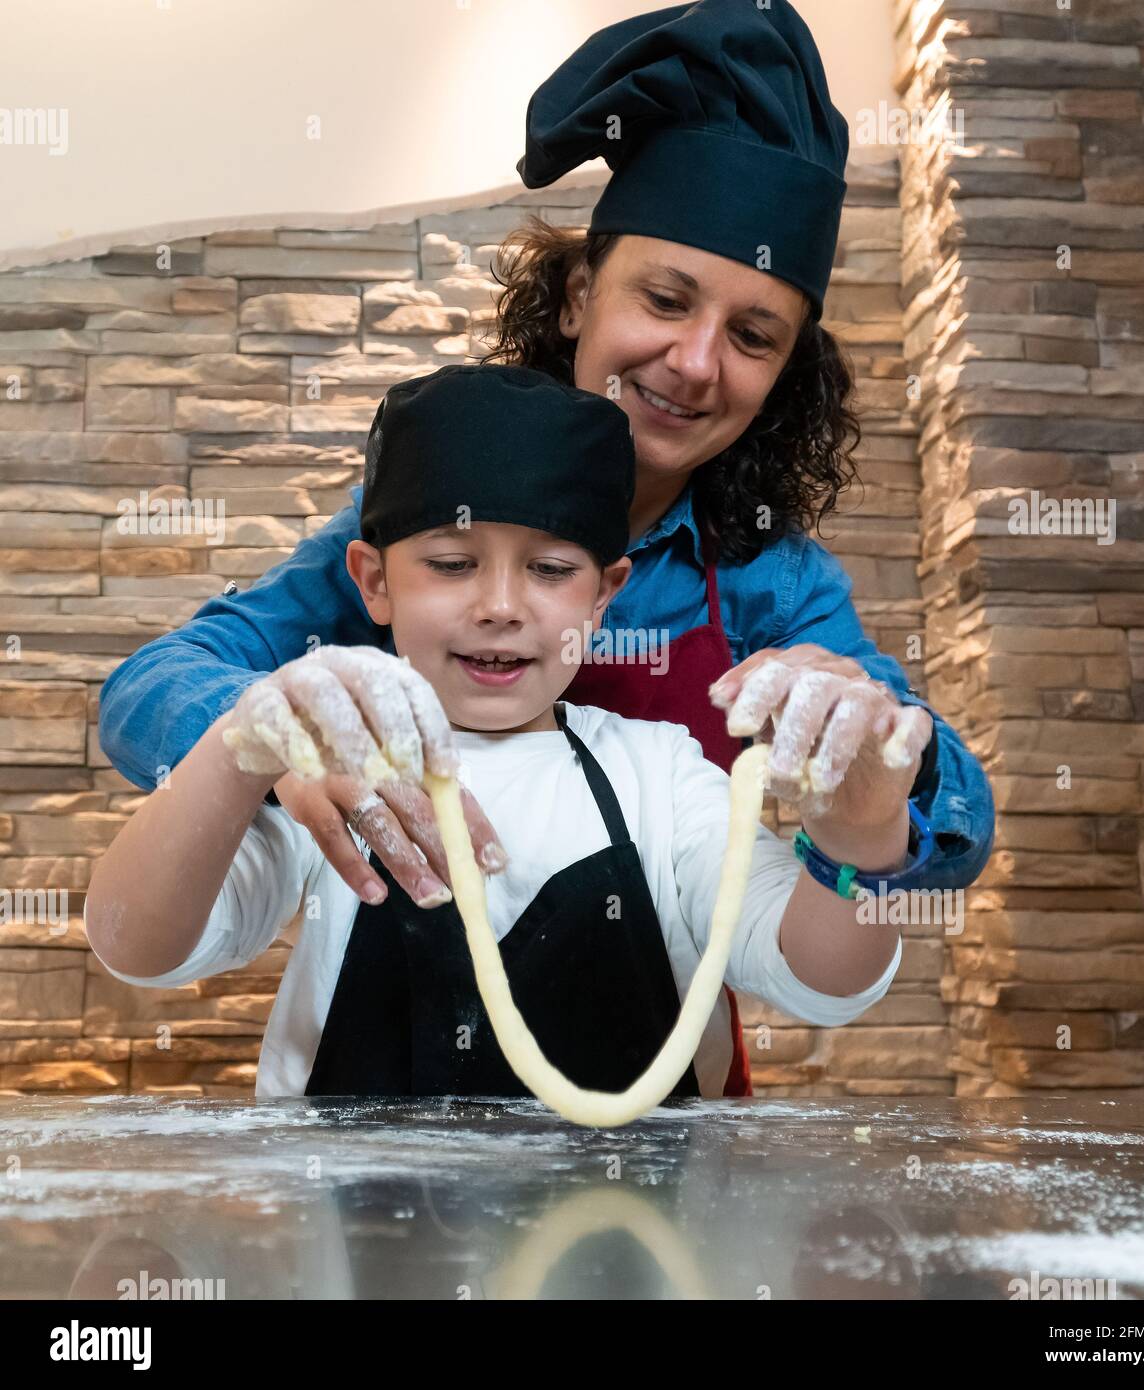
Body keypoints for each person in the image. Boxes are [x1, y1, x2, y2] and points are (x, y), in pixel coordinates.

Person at [95, 0, 994, 1091]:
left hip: (654, 1151)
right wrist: (269, 749)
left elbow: (917, 825)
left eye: (753, 336)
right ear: (579, 295)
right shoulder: (415, 511)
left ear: (609, 589)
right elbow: (152, 694)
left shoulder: (770, 586)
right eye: (665, 298)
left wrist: (875, 765)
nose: (696, 361)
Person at [84, 366, 926, 1101]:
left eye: (552, 570)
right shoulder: (334, 780)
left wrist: (857, 837)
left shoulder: (661, 777)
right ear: (374, 583)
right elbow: (140, 944)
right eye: (451, 564)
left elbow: (824, 981)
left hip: (638, 1257)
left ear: (604, 599)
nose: (499, 605)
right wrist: (243, 749)